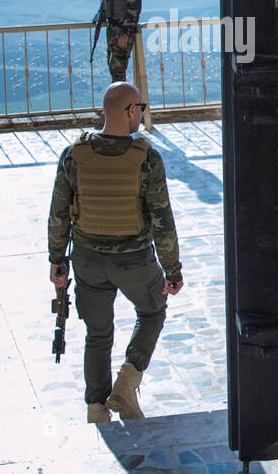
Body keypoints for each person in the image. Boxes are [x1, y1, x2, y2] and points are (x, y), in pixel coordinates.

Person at [47, 80, 183, 423]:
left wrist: (56, 260)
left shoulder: (74, 154)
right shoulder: (147, 158)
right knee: (152, 313)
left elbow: (59, 213)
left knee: (98, 333)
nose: (141, 114)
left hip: (88, 260)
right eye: (141, 108)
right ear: (129, 111)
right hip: (134, 259)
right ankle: (126, 385)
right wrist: (172, 270)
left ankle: (96, 407)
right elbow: (161, 218)